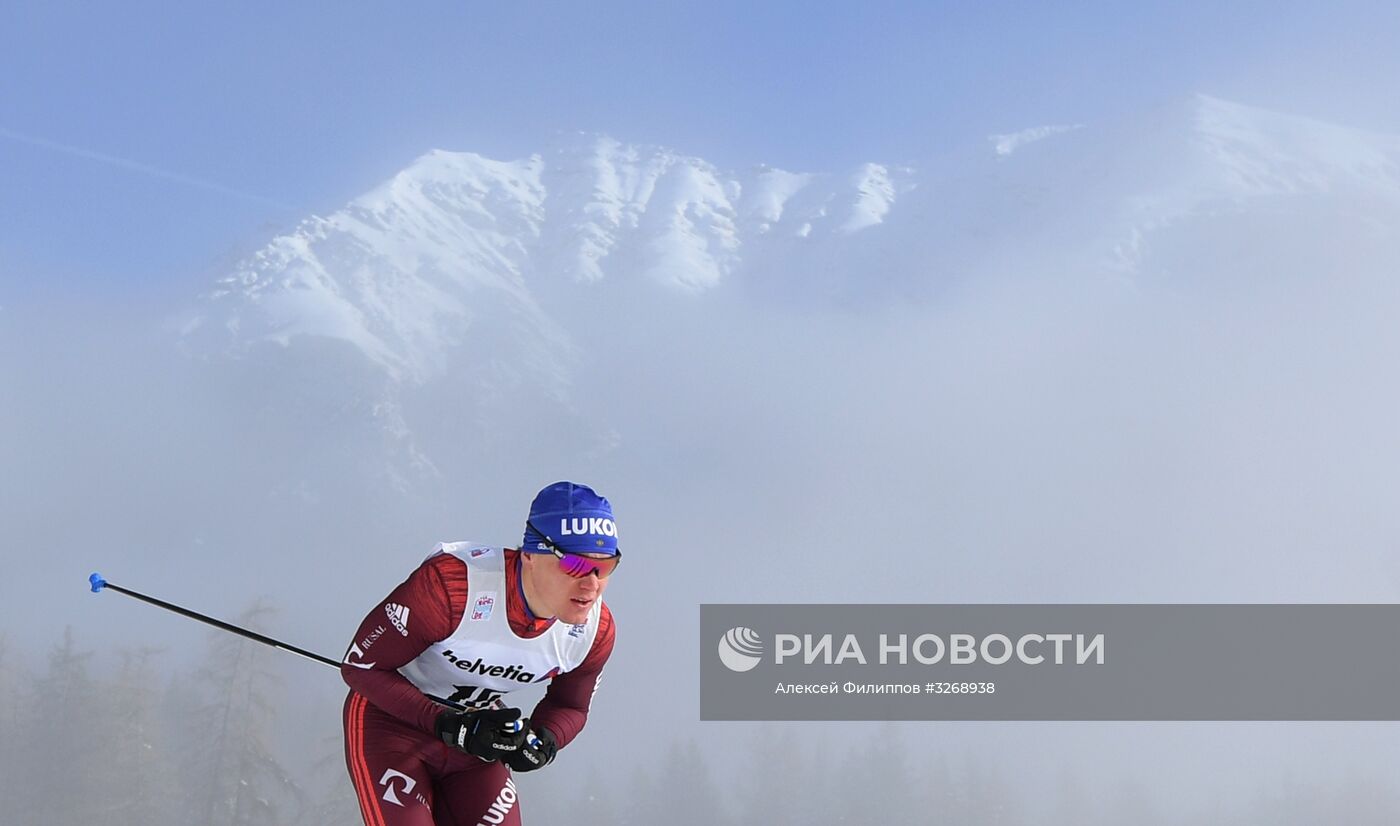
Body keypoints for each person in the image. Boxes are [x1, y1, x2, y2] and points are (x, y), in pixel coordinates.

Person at [341, 481, 620, 826]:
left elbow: (570, 706)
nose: (591, 585)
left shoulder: (594, 631)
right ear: (530, 554)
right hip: (391, 726)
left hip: (475, 741)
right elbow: (360, 668)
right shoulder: (453, 588)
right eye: (575, 565)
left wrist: (543, 740)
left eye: (605, 567)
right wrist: (445, 723)